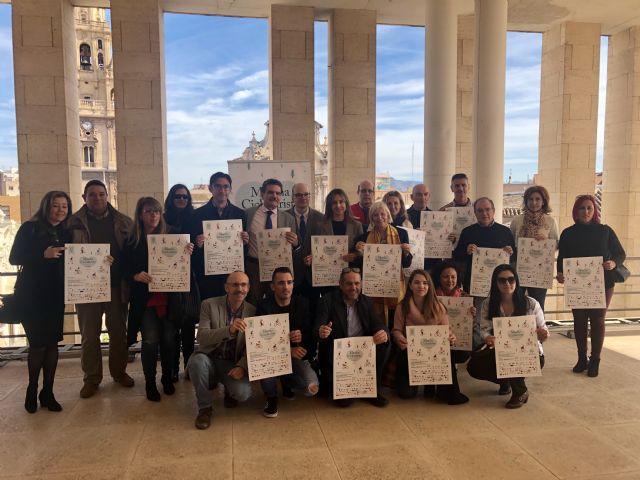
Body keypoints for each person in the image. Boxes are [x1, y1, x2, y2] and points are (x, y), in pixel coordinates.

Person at [68, 180, 134, 398]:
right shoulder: (72, 223)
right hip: (87, 288)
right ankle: (91, 379)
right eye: (92, 195)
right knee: (89, 335)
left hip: (116, 286)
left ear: (108, 196)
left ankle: (119, 372)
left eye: (101, 194)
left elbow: (133, 251)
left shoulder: (124, 221)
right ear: (84, 197)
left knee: (118, 333)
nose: (97, 198)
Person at [9, 191, 73, 413]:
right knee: (38, 344)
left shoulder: (66, 231)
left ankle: (48, 392)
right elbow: (14, 257)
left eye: (64, 206)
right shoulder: (30, 228)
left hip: (55, 294)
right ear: (46, 206)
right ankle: (31, 389)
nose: (60, 210)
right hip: (32, 294)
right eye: (56, 206)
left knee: (53, 343)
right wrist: (41, 254)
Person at [124, 197, 193, 402]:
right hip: (145, 300)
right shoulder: (132, 239)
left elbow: (184, 266)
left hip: (170, 298)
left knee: (169, 340)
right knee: (150, 341)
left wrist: (187, 252)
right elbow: (123, 267)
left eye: (156, 211)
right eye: (148, 211)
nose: (153, 215)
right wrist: (135, 275)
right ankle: (150, 382)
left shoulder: (173, 236)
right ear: (140, 214)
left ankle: (167, 377)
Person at [556, 195, 625, 378]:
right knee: (579, 321)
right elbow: (562, 258)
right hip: (577, 284)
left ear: (594, 211)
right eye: (581, 208)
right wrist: (561, 273)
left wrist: (613, 263)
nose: (585, 212)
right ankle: (581, 359)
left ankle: (595, 360)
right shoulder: (567, 233)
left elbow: (620, 253)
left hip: (603, 283)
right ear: (575, 211)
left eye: (589, 208)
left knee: (597, 321)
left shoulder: (605, 231)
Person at [467, 265, 549, 408]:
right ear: (495, 282)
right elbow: (484, 329)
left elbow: (543, 331)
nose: (507, 284)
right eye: (502, 280)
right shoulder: (488, 303)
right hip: (500, 350)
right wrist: (487, 337)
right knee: (474, 366)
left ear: (516, 281)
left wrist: (543, 334)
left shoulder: (531, 303)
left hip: (529, 353)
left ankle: (520, 391)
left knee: (513, 356)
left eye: (511, 279)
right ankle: (506, 381)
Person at [187, 271, 254, 430]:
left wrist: (242, 367)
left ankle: (228, 391)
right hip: (209, 358)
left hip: (231, 363)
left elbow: (252, 346)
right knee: (196, 363)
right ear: (226, 287)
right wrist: (229, 330)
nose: (239, 289)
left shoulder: (253, 311)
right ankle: (205, 408)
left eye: (243, 285)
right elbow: (201, 337)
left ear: (249, 288)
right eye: (235, 285)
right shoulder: (208, 304)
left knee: (243, 394)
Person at [392, 269, 469, 405]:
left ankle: (438, 387)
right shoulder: (402, 307)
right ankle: (425, 383)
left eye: (425, 283)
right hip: (410, 353)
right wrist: (399, 338)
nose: (421, 286)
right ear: (410, 286)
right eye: (417, 283)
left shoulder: (439, 307)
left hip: (434, 354)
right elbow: (396, 330)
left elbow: (447, 331)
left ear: (429, 286)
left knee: (448, 354)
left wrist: (450, 337)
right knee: (405, 394)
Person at [315, 268, 389, 407]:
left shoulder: (366, 301)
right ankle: (332, 382)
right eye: (349, 284)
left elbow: (378, 323)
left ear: (361, 284)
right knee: (344, 403)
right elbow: (317, 326)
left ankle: (371, 390)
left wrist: (383, 332)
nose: (353, 288)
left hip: (362, 351)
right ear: (341, 285)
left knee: (384, 344)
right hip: (337, 354)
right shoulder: (327, 300)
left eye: (357, 283)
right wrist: (321, 331)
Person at [256, 267, 319, 418]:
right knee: (264, 366)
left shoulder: (303, 303)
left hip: (296, 356)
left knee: (311, 387)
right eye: (281, 283)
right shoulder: (263, 306)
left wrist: (301, 336)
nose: (286, 287)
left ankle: (286, 382)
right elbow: (258, 340)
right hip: (271, 356)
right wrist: (285, 350)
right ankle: (271, 397)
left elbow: (311, 333)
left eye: (289, 282)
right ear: (272, 286)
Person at [453, 197, 515, 348]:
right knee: (479, 320)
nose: (484, 213)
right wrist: (466, 251)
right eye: (480, 210)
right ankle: (480, 352)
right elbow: (457, 256)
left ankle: (503, 350)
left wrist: (511, 252)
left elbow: (515, 257)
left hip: (502, 286)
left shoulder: (505, 231)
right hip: (476, 286)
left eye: (487, 209)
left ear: (493, 211)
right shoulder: (468, 232)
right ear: (474, 213)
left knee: (501, 317)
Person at [189, 172, 248, 301]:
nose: (222, 190)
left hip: (233, 274)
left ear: (230, 189)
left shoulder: (240, 214)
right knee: (210, 311)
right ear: (210, 188)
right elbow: (190, 248)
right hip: (207, 276)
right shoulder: (196, 215)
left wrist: (245, 241)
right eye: (218, 186)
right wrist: (197, 243)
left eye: (226, 186)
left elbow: (245, 250)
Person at [354, 202, 414, 326]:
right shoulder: (364, 237)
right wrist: (359, 254)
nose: (380, 217)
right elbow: (360, 266)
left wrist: (406, 253)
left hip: (394, 284)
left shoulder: (401, 234)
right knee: (375, 322)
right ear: (371, 218)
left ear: (388, 215)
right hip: (373, 286)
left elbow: (407, 264)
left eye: (383, 214)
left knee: (395, 321)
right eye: (375, 215)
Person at [164, 184, 198, 381]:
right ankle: (172, 368)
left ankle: (188, 367)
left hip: (189, 278)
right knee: (170, 327)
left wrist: (197, 246)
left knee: (188, 324)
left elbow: (201, 250)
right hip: (167, 279)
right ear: (171, 198)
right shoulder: (162, 218)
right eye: (178, 197)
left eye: (185, 197)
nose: (182, 200)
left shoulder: (193, 219)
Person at [245, 178, 299, 305]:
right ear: (262, 194)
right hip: (254, 267)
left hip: (277, 267)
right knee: (253, 300)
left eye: (278, 193)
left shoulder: (288, 218)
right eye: (270, 192)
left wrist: (295, 242)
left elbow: (295, 246)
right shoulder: (248, 214)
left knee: (276, 301)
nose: (274, 196)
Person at [510, 185, 558, 310]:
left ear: (543, 202)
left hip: (540, 271)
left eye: (538, 199)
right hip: (519, 270)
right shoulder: (517, 220)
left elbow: (556, 245)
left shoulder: (550, 221)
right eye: (530, 199)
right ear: (526, 201)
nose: (534, 202)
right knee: (517, 304)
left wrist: (545, 242)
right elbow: (511, 243)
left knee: (538, 305)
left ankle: (539, 329)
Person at [287, 183, 324, 307]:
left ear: (309, 196)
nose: (303, 198)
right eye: (298, 195)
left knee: (312, 312)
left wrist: (317, 257)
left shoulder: (321, 218)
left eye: (306, 194)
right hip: (291, 276)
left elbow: (325, 245)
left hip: (313, 276)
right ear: (292, 197)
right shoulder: (283, 217)